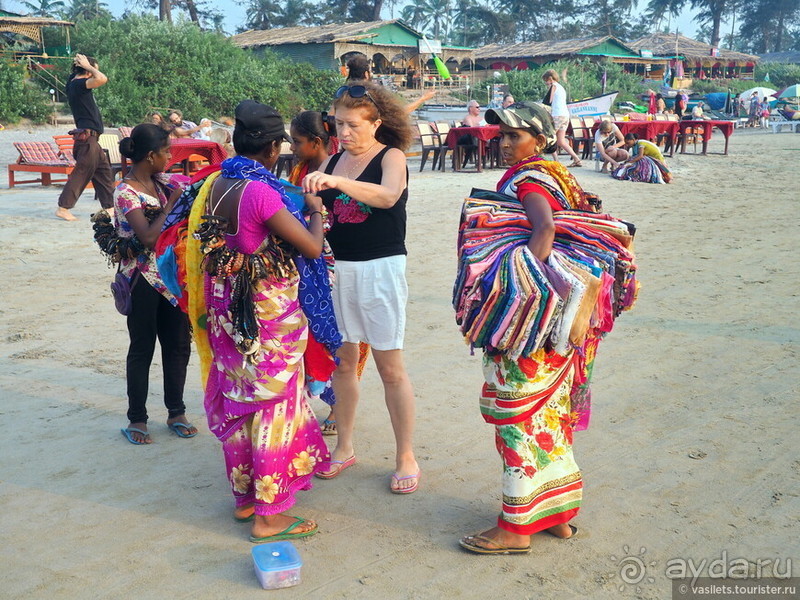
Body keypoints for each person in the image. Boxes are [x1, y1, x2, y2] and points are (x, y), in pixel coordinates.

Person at [454, 101, 637, 554]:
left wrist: (519, 290)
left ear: (539, 138)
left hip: (533, 322)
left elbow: (546, 228)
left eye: (514, 136)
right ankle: (556, 514)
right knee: (550, 415)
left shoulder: (529, 179)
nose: (504, 143)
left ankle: (516, 528)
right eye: (501, 135)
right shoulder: (557, 173)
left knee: (517, 416)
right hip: (563, 322)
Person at [181, 100, 339, 542]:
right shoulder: (261, 192)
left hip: (230, 310)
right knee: (274, 403)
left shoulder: (221, 184)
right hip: (265, 314)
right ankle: (269, 516)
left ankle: (247, 497)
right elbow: (309, 246)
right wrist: (315, 210)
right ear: (272, 148)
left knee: (240, 398)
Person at [302, 81, 420, 494]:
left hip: (382, 268)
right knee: (343, 363)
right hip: (342, 270)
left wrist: (336, 184)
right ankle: (345, 447)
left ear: (376, 123)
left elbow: (388, 196)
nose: (344, 133)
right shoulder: (333, 161)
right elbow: (318, 210)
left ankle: (405, 455)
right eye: (338, 124)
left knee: (390, 368)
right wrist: (312, 200)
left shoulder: (391, 158)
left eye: (353, 125)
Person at [112, 124, 194, 444]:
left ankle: (176, 410)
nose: (170, 157)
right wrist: (172, 205)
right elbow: (146, 236)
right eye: (165, 152)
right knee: (142, 348)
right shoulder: (125, 192)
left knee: (178, 345)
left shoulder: (161, 183)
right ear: (150, 155)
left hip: (170, 277)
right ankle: (138, 418)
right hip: (141, 280)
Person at [55, 53, 115, 221]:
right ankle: (63, 207)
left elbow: (92, 76)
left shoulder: (72, 82)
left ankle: (109, 207)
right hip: (87, 139)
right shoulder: (79, 85)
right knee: (81, 173)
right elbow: (103, 79)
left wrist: (83, 64)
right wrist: (89, 66)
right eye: (94, 70)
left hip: (91, 139)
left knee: (103, 173)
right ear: (88, 72)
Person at [541, 69, 583, 168]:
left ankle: (556, 161)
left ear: (550, 78)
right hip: (565, 115)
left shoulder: (554, 86)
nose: (546, 83)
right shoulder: (561, 87)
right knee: (561, 141)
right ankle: (576, 159)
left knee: (549, 137)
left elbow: (549, 101)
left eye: (546, 80)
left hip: (557, 115)